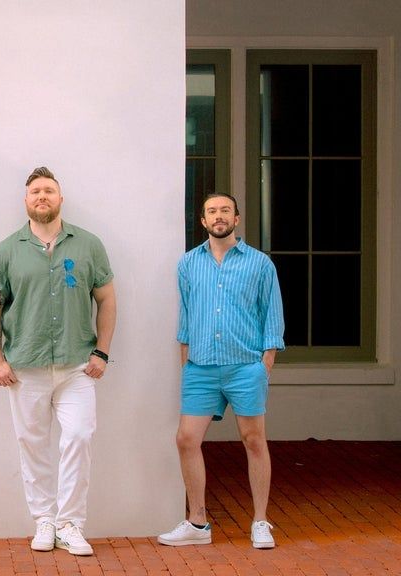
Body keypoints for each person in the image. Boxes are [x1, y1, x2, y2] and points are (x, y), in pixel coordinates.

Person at [0, 167, 116, 555]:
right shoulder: (6, 251)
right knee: (33, 444)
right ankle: (44, 520)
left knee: (79, 436)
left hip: (77, 366)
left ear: (60, 199)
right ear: (26, 200)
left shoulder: (89, 245)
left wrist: (102, 351)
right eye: (36, 191)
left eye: (49, 191)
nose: (42, 196)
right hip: (25, 366)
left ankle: (70, 523)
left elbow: (107, 300)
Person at [158, 192, 284, 549]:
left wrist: (265, 364)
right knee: (186, 439)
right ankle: (198, 523)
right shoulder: (188, 263)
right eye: (212, 211)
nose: (219, 216)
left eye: (225, 210)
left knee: (254, 440)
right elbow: (186, 314)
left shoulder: (260, 264)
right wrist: (186, 360)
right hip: (200, 367)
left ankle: (260, 521)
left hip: (245, 366)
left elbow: (272, 316)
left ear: (236, 218)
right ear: (203, 221)